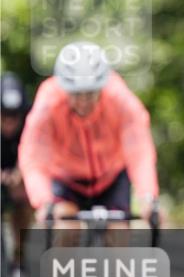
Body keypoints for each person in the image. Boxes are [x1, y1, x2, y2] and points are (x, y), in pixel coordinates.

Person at [19, 42, 159, 225]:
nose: (84, 102)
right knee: (66, 229)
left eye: (91, 93)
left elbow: (139, 151)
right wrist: (43, 201)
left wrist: (148, 197)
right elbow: (34, 156)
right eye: (76, 94)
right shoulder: (48, 103)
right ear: (64, 88)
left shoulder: (120, 98)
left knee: (118, 234)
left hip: (111, 177)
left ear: (102, 85)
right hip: (66, 179)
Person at [1, 71, 32, 277]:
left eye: (14, 116)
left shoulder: (32, 125)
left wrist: (22, 173)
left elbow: (38, 155)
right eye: (4, 115)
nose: (9, 122)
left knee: (26, 203)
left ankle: (18, 262)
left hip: (20, 177)